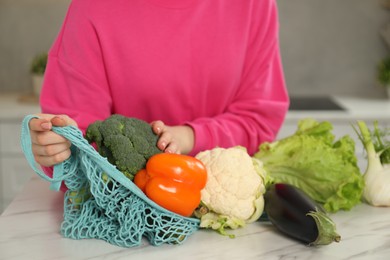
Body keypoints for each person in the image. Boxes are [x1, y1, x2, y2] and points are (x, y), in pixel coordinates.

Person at [29, 0, 289, 177]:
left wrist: (190, 137)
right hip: (125, 215)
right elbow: (78, 143)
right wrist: (58, 148)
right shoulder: (93, 7)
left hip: (231, 227)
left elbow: (258, 122)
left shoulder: (254, 5)